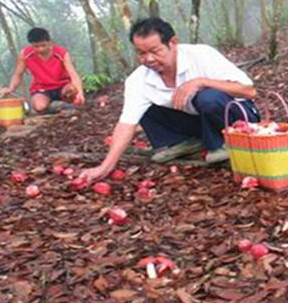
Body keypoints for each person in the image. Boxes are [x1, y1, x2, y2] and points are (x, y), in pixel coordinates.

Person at [80, 17, 260, 182]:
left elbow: (249, 91)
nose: (148, 59)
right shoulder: (138, 80)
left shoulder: (201, 55)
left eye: (155, 51)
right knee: (144, 107)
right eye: (141, 53)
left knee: (207, 96)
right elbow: (127, 123)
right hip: (199, 121)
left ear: (173, 43)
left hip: (238, 119)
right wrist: (105, 167)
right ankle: (183, 143)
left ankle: (221, 146)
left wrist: (201, 81)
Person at [0, 27, 84, 113]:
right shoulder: (25, 54)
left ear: (49, 42)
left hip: (63, 86)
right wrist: (11, 88)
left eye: (43, 45)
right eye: (36, 46)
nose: (40, 49)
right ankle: (56, 108)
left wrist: (80, 92)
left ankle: (70, 106)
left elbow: (72, 73)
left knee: (72, 90)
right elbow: (18, 74)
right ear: (31, 44)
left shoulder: (61, 52)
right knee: (39, 106)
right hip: (41, 88)